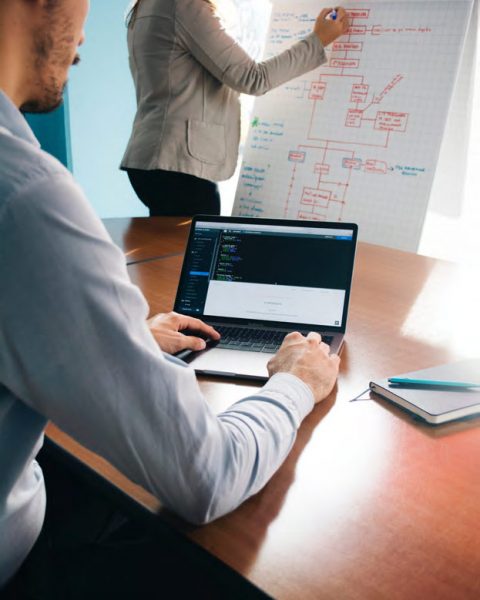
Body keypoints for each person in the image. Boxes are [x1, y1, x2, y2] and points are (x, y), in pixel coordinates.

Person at [0, 0, 340, 595]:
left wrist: (110, 337)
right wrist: (295, 382)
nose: (85, 29)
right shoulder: (26, 198)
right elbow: (206, 476)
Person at [121, 0, 349, 216]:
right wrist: (318, 40)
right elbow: (253, 77)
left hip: (153, 160)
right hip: (178, 166)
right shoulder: (184, 6)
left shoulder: (146, 6)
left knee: (173, 254)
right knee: (194, 254)